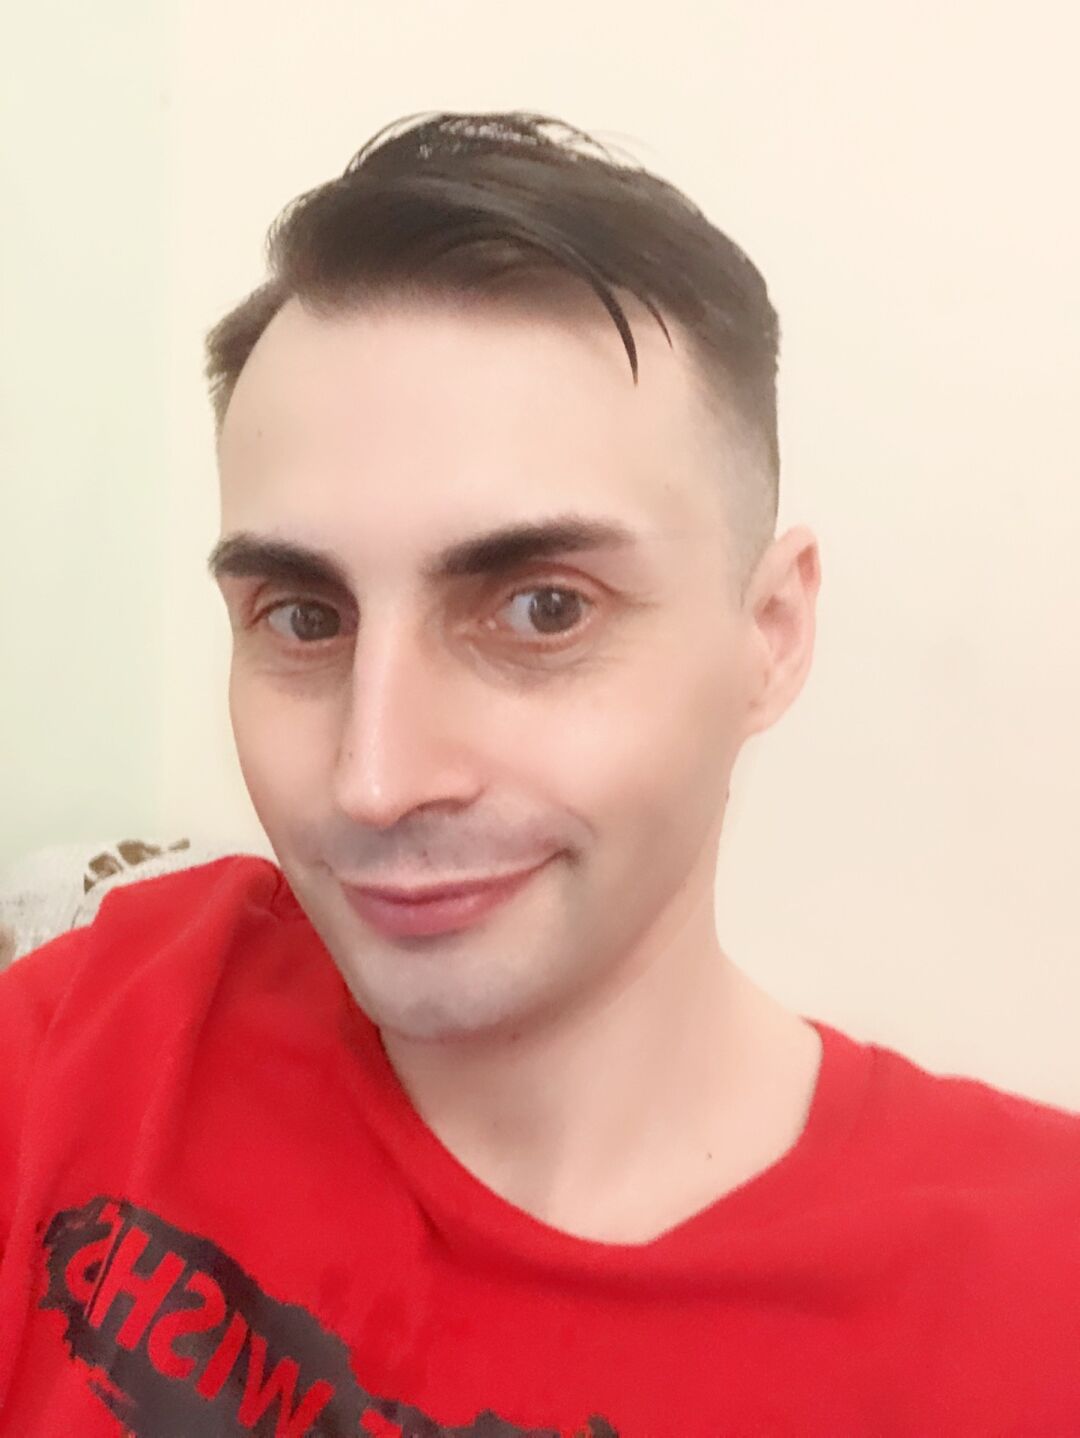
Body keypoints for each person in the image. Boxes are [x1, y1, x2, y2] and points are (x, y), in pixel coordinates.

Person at [1, 110, 1077, 1438]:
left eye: (543, 609)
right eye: (305, 616)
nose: (373, 779)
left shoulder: (1037, 1305)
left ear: (770, 634)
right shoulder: (107, 1027)